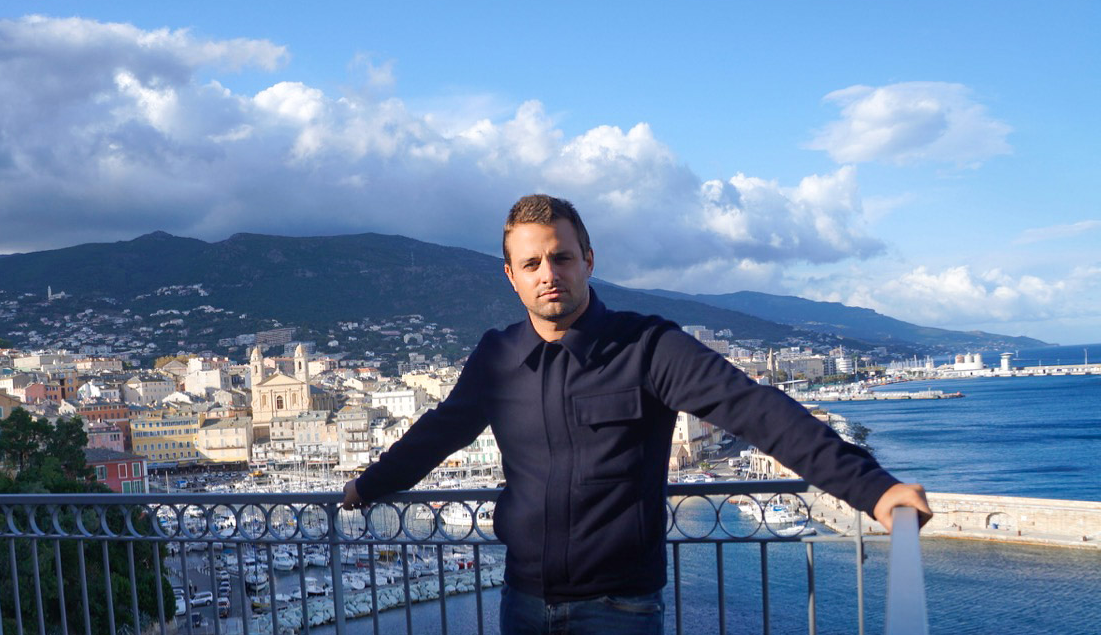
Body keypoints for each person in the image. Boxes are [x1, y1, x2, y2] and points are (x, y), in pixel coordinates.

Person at [342, 194, 931, 634]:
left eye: (561, 257)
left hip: (620, 608)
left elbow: (756, 410)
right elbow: (439, 432)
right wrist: (369, 485)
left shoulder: (649, 347)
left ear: (588, 260)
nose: (549, 274)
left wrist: (873, 489)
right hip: (522, 600)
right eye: (532, 263)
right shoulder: (497, 356)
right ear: (511, 276)